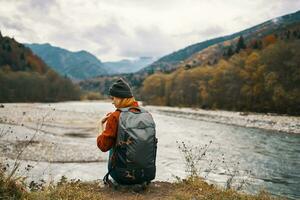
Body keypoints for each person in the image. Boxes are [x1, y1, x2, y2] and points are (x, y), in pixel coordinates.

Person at [97, 78, 157, 187]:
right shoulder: (146, 114)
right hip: (147, 174)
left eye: (113, 98)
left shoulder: (116, 116)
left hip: (122, 176)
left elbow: (103, 146)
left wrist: (101, 125)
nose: (112, 101)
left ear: (120, 98)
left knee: (115, 143)